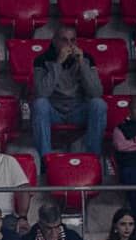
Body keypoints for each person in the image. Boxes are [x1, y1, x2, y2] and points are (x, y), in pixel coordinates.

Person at [32, 24, 108, 157]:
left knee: (99, 104)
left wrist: (82, 65)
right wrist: (58, 64)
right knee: (39, 104)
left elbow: (96, 92)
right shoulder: (42, 60)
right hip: (54, 112)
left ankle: (93, 157)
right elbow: (42, 93)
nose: (69, 44)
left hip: (77, 111)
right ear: (54, 41)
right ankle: (45, 159)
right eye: (64, 40)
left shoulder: (86, 59)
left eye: (72, 40)